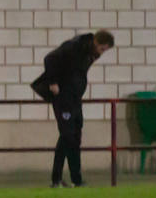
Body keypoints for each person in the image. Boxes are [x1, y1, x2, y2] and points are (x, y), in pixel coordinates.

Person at [31, 30, 114, 188]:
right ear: (96, 43)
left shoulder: (88, 52)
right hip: (63, 98)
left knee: (72, 136)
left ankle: (62, 179)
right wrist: (53, 82)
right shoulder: (74, 47)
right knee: (69, 137)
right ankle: (70, 179)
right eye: (102, 49)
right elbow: (49, 58)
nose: (102, 54)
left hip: (75, 98)